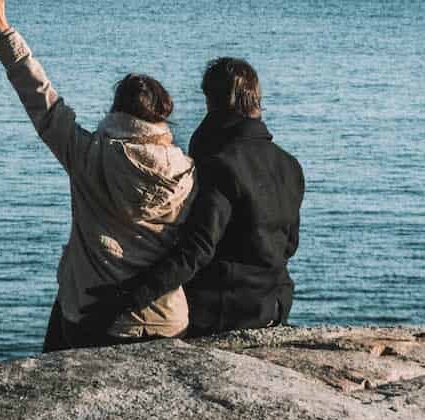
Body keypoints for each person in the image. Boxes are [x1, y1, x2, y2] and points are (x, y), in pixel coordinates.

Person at [0, 0, 196, 351]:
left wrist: (4, 29)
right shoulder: (186, 170)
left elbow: (43, 102)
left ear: (116, 110)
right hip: (166, 320)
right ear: (163, 115)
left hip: (95, 317)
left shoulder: (89, 154)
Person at [90, 56, 304, 337]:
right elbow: (289, 245)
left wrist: (130, 295)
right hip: (273, 305)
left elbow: (197, 249)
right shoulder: (289, 165)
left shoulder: (222, 164)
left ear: (214, 102)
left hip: (225, 312)